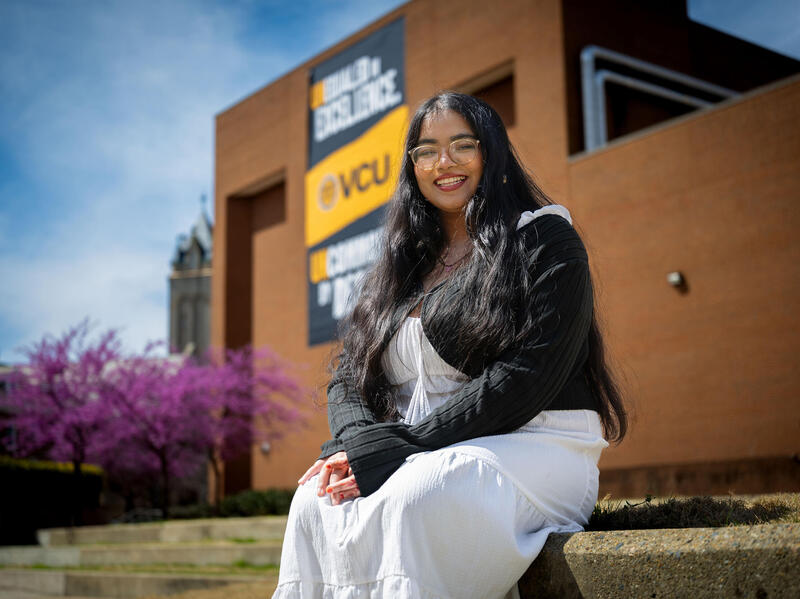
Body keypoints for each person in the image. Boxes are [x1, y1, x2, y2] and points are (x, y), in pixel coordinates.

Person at [273, 92, 627, 599]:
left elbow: (528, 377)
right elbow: (348, 378)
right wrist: (358, 447)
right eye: (427, 151)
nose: (445, 163)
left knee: (419, 493)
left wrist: (400, 446)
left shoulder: (544, 239)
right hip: (416, 451)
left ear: (492, 153)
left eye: (463, 145)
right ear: (412, 167)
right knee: (315, 501)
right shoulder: (399, 266)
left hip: (535, 443)